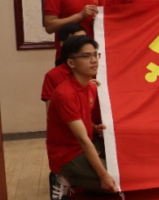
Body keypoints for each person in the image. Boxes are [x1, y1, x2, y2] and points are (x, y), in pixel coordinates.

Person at [47, 36, 117, 198]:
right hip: (68, 154)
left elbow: (80, 120)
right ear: (71, 63)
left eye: (95, 54)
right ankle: (63, 178)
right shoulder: (65, 94)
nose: (94, 60)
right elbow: (83, 140)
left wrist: (94, 127)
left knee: (122, 162)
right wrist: (103, 175)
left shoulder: (89, 86)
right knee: (115, 180)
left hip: (85, 144)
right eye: (86, 56)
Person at [41, 23, 88, 111]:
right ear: (62, 44)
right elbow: (52, 112)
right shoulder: (53, 76)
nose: (82, 44)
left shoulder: (95, 69)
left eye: (85, 40)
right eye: (76, 40)